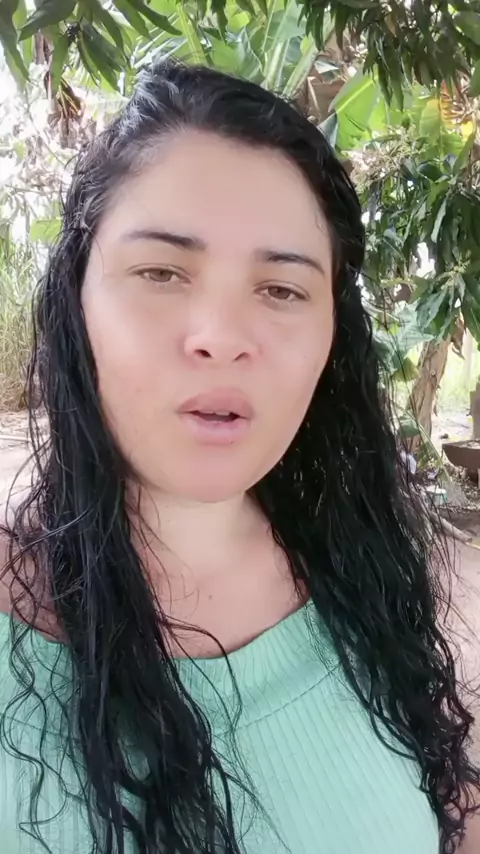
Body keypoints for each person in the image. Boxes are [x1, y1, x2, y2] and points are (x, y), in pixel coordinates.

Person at [0, 61, 478, 854]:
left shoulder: (366, 571)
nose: (221, 337)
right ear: (75, 303)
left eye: (282, 289)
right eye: (161, 272)